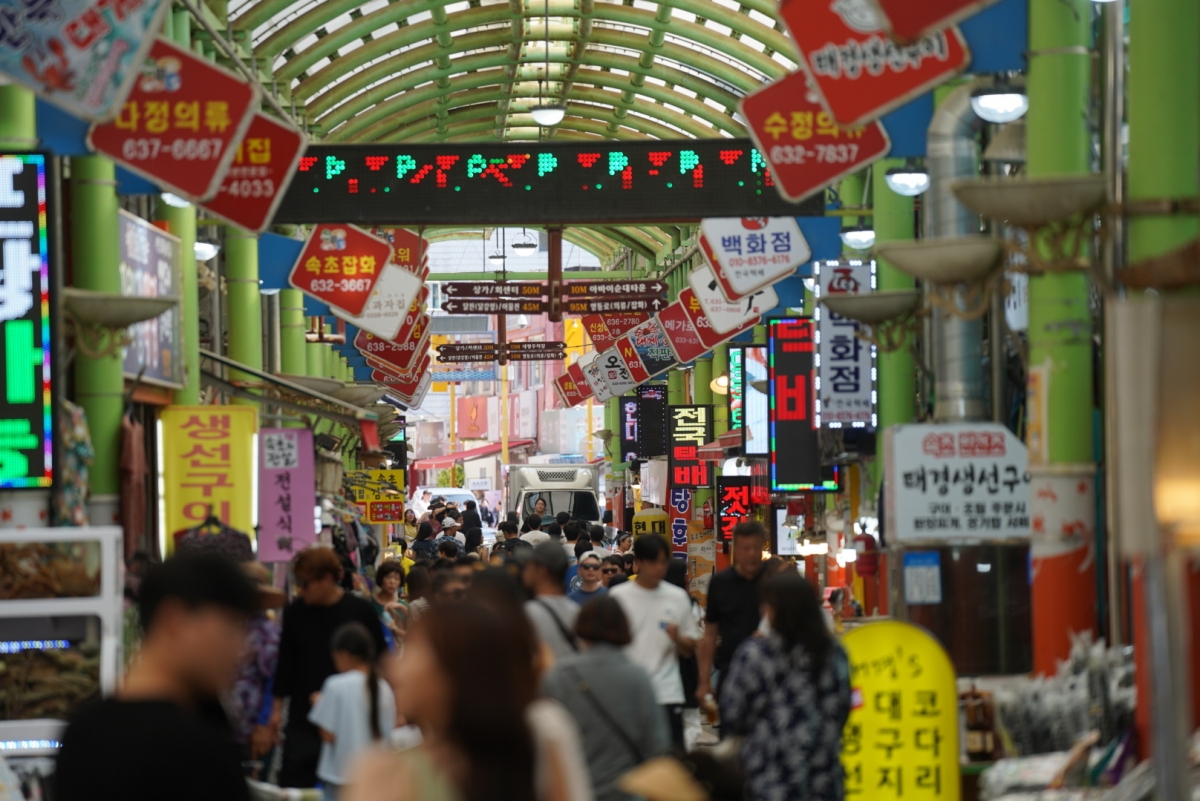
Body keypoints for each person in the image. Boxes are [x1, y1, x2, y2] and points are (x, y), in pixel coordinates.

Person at [57, 553, 259, 801]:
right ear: (174, 620)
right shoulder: (197, 749)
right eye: (231, 627)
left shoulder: (81, 734)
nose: (242, 649)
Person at [344, 600, 540, 801]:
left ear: (454, 665)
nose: (390, 662)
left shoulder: (385, 774)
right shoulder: (527, 758)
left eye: (411, 647)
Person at [720, 572, 851, 801]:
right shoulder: (834, 654)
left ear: (775, 609)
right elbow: (843, 709)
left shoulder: (755, 654)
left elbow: (733, 714)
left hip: (768, 777)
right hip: (822, 776)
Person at [269, 548, 388, 788]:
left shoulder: (360, 611)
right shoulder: (295, 612)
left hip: (351, 719)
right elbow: (285, 663)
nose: (301, 589)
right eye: (298, 582)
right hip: (303, 718)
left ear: (328, 578)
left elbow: (381, 661)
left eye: (305, 583)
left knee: (349, 785)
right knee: (295, 785)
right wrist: (276, 710)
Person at [541, 598, 670, 801]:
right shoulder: (637, 677)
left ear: (581, 625)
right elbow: (657, 745)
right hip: (627, 792)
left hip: (575, 790)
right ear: (624, 627)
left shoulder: (559, 676)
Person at [608, 535, 699, 749]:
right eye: (653, 562)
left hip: (668, 693)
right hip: (629, 694)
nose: (659, 568)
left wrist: (677, 638)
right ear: (638, 563)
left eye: (663, 562)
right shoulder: (618, 597)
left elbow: (690, 648)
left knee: (670, 758)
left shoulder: (677, 597)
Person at [310, 623, 397, 801]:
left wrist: (319, 704)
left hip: (340, 777)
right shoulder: (384, 688)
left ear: (343, 655)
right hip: (374, 778)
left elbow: (328, 735)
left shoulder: (335, 685)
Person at [696, 520, 767, 712]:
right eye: (745, 548)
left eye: (756, 547)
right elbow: (710, 634)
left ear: (763, 547)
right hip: (730, 670)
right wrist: (704, 682)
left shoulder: (773, 580)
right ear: (736, 548)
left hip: (768, 673)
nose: (751, 553)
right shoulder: (720, 582)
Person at [522, 541, 580, 663]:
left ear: (541, 571)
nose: (524, 572)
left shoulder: (527, 614)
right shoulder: (578, 611)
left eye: (528, 567)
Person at [372, 561, 408, 638]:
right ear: (381, 578)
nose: (392, 582)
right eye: (388, 577)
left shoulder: (403, 607)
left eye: (397, 578)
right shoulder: (370, 603)